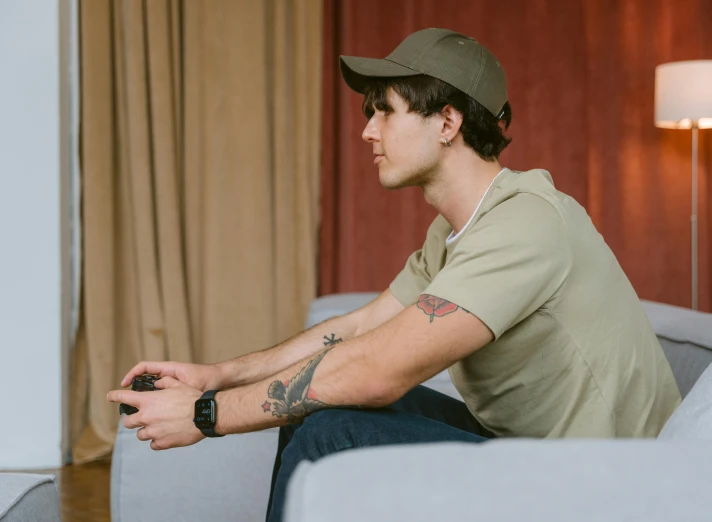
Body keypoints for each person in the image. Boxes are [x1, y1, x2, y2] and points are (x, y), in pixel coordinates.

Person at [107, 28, 682, 522]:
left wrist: (205, 416)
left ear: (447, 121)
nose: (368, 132)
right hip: (527, 454)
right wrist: (217, 376)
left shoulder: (528, 222)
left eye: (385, 109)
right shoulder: (455, 233)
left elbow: (379, 372)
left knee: (333, 432)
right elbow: (359, 329)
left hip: (600, 486)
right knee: (323, 407)